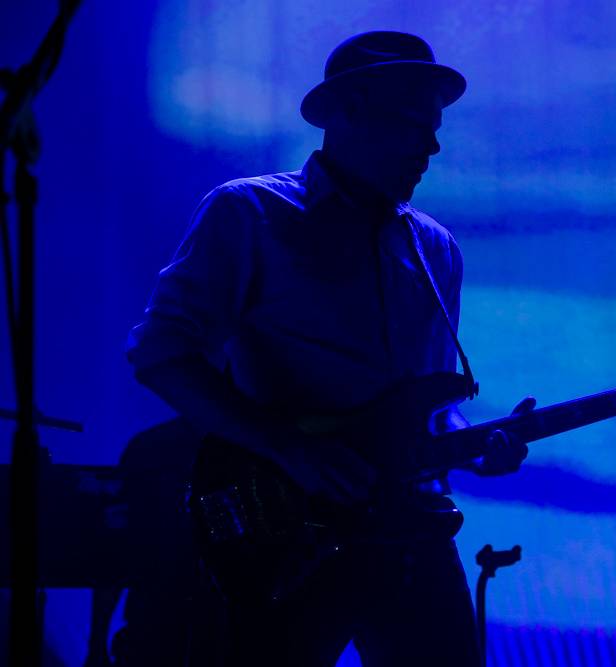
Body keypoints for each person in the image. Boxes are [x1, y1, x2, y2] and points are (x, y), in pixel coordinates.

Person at [127, 30, 532, 666]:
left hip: (410, 528)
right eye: (413, 125)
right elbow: (162, 353)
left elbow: (434, 406)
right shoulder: (248, 213)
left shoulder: (437, 249)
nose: (432, 146)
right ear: (348, 113)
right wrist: (288, 449)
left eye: (435, 129)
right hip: (288, 534)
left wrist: (477, 445)